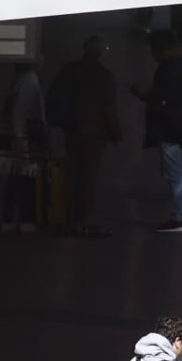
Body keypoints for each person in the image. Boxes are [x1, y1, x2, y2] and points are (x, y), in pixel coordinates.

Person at [130, 29, 182, 233]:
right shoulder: (180, 65)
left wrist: (145, 95)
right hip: (176, 126)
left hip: (169, 129)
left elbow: (166, 98)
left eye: (153, 49)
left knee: (174, 174)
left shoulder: (168, 68)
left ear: (162, 49)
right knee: (173, 172)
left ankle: (181, 216)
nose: (152, 54)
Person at [61, 36, 122, 237]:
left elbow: (56, 98)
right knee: (87, 178)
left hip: (71, 131)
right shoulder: (105, 75)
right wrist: (116, 133)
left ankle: (69, 220)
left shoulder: (69, 70)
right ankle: (82, 221)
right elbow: (109, 109)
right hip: (95, 135)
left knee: (72, 175)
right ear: (101, 53)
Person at [0, 61, 47, 234]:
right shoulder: (30, 81)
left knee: (15, 180)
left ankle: (8, 219)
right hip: (24, 138)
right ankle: (25, 219)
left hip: (15, 136)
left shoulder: (18, 80)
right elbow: (20, 110)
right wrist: (19, 137)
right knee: (26, 180)